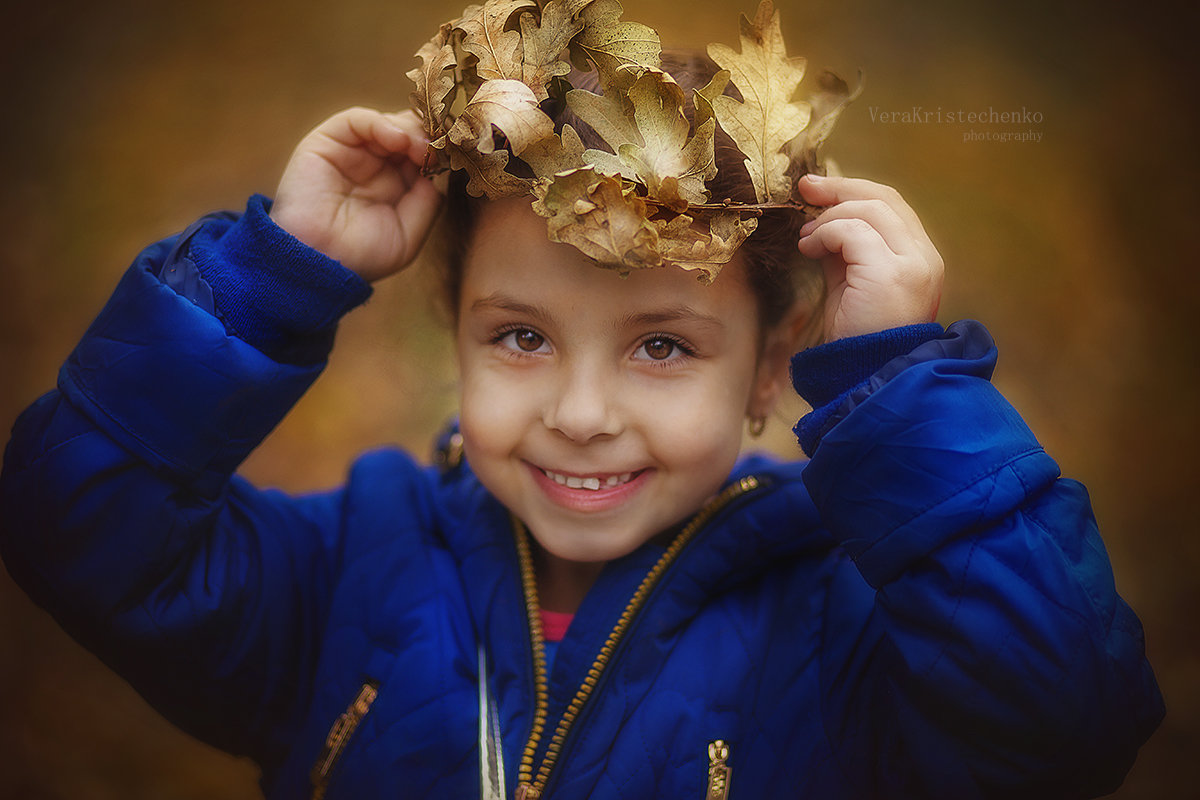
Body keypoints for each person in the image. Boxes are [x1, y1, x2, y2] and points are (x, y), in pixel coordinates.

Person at [0, 37, 1162, 800]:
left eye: (663, 344)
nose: (581, 411)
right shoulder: (345, 571)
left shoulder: (849, 629)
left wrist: (901, 390)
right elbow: (77, 522)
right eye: (521, 336)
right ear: (453, 327)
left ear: (773, 369)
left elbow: (1066, 723)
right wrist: (267, 278)